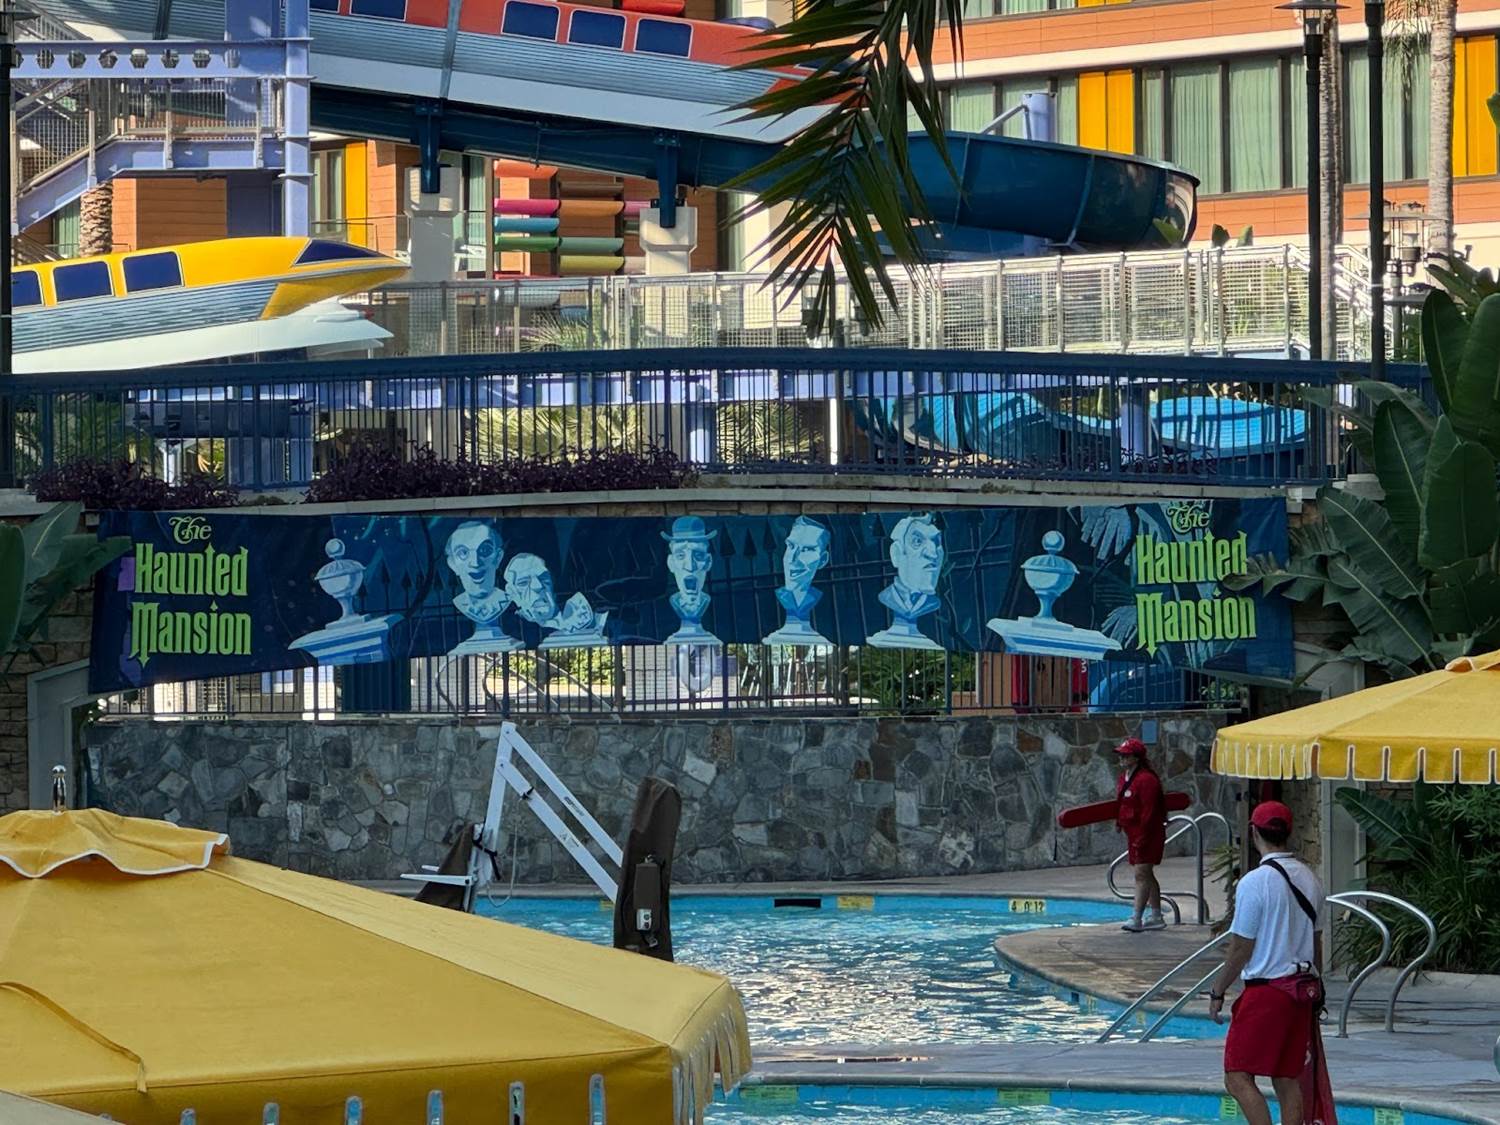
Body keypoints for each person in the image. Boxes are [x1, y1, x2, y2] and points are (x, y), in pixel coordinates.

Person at [1208, 801, 1331, 1125]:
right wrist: (1315, 991)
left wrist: (1218, 990)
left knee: (1236, 1076)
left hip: (1266, 992)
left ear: (1254, 833)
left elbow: (1240, 948)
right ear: (1289, 833)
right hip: (1301, 992)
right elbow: (1316, 945)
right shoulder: (1311, 880)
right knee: (1287, 1077)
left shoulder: (1254, 882)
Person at [1114, 737, 1167, 933]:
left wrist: (1142, 838)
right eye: (1121, 755)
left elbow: (1149, 812)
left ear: (1136, 758)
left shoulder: (1147, 780)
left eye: (1126, 755)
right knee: (1146, 874)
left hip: (1148, 833)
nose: (1121, 758)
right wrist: (1119, 822)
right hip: (1134, 832)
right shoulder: (1124, 778)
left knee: (1141, 874)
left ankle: (1136, 917)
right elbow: (1122, 803)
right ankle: (1156, 915)